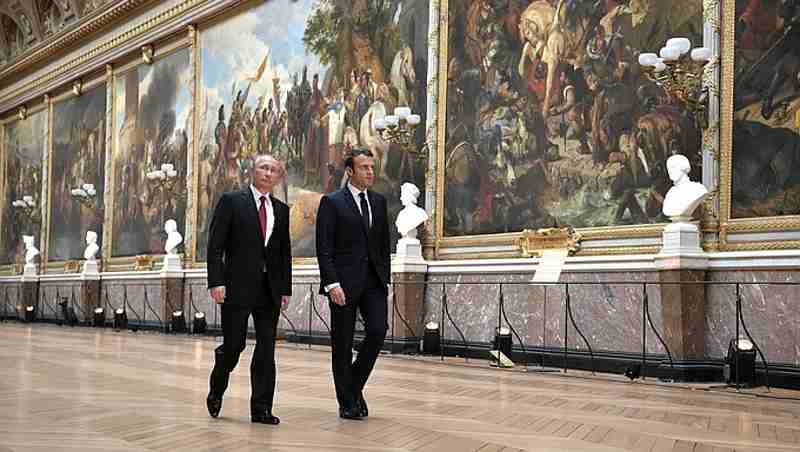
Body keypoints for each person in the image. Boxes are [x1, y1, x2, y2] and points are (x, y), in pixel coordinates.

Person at [206, 154, 292, 425]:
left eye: (273, 170)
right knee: (234, 345)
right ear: (252, 172)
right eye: (263, 168)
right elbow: (215, 246)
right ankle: (217, 387)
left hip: (269, 290)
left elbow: (283, 252)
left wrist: (285, 288)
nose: (268, 173)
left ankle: (262, 408)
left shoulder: (281, 209)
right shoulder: (232, 202)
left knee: (267, 348)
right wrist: (216, 282)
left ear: (279, 176)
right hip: (236, 286)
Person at [315, 148, 391, 420]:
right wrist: (331, 283)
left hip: (373, 283)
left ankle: (353, 387)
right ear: (349, 171)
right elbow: (324, 248)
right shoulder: (332, 202)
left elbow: (383, 246)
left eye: (372, 167)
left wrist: (385, 280)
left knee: (378, 331)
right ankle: (347, 401)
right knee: (342, 343)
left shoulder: (380, 202)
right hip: (343, 285)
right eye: (364, 167)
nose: (370, 172)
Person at [662, 154, 708, 219]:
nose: (670, 171)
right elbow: (666, 210)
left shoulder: (698, 189)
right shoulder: (670, 192)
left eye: (673, 167)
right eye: (668, 168)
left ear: (683, 167)